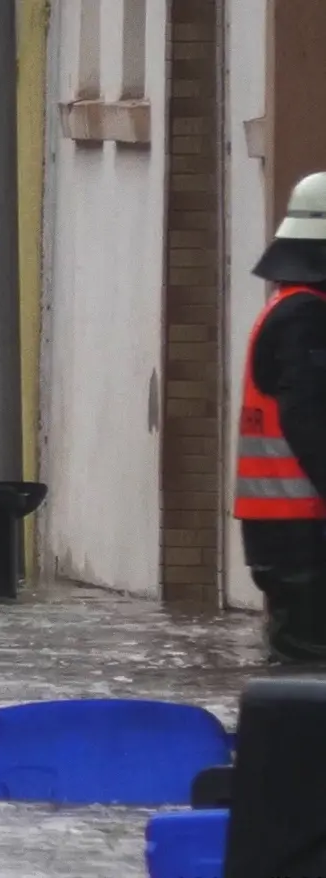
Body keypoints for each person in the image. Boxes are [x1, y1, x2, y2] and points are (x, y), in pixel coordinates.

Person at [237, 171, 326, 663]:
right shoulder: (305, 319)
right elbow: (307, 418)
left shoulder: (293, 310)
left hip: (288, 530)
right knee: (310, 669)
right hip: (302, 533)